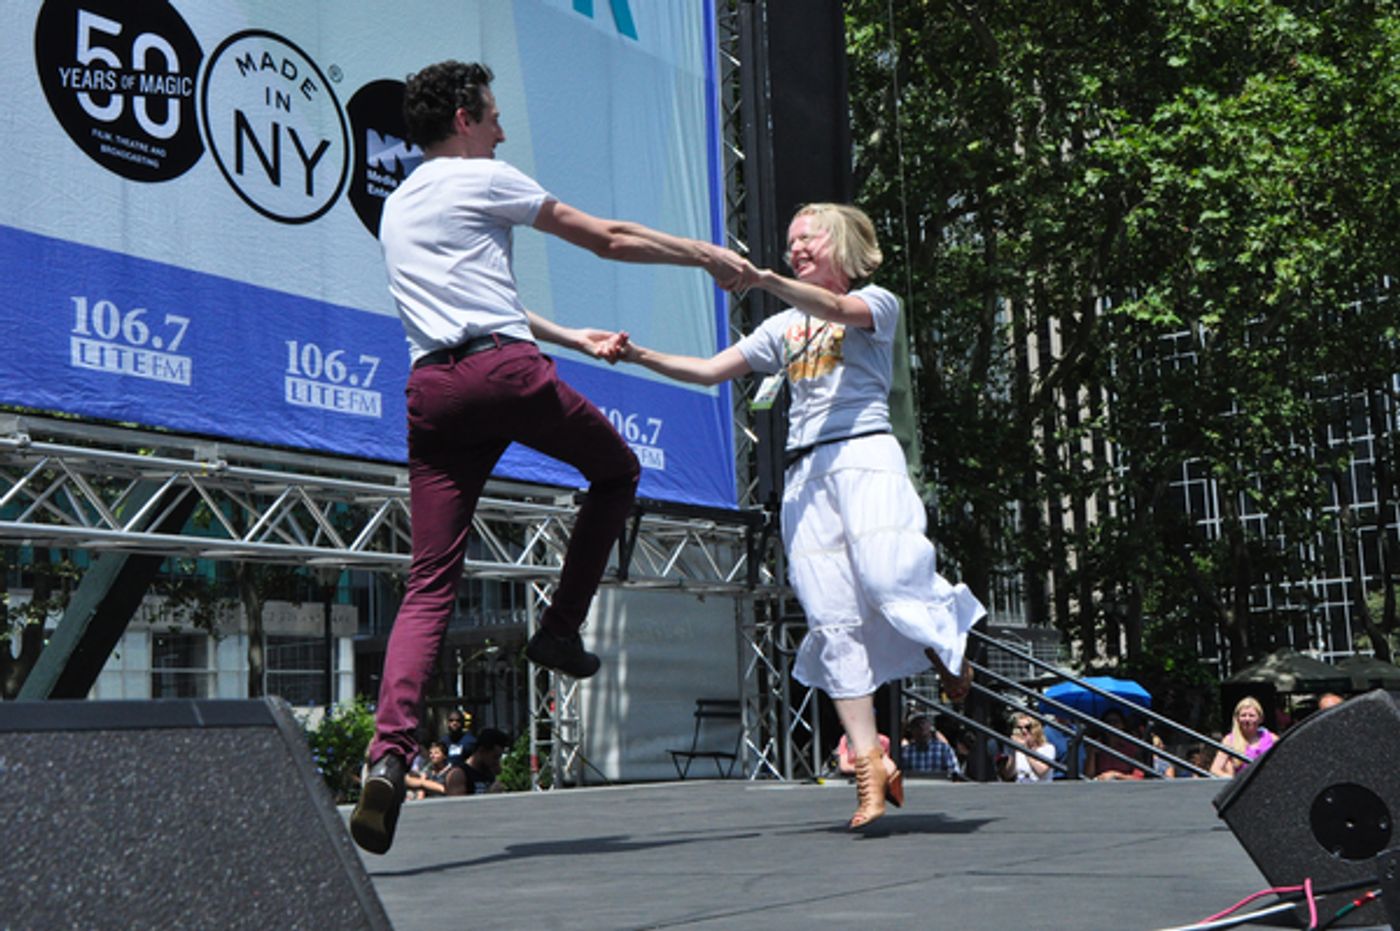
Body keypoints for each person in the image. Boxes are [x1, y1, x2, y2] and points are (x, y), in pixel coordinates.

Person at [350, 60, 748, 855]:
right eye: (493, 115)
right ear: (464, 119)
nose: (502, 129)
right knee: (618, 471)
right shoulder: (484, 176)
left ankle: (387, 755)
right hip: (504, 373)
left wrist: (572, 336)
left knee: (429, 584)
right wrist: (704, 254)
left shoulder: (399, 205)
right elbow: (606, 237)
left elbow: (486, 299)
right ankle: (559, 628)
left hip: (433, 390)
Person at [620, 203, 985, 828]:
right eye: (790, 243)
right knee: (831, 617)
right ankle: (869, 766)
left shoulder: (877, 302)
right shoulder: (784, 327)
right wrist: (636, 355)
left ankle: (945, 643)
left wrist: (762, 279)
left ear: (839, 243)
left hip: (864, 455)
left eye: (807, 238)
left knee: (888, 574)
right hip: (806, 476)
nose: (796, 249)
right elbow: (709, 370)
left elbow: (838, 309)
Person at [1209, 695, 1276, 778]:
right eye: (1243, 715)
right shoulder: (1229, 740)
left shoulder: (1272, 739)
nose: (1247, 719)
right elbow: (1215, 769)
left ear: (1260, 719)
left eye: (1251, 715)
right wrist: (1231, 779)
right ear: (1237, 719)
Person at [997, 713, 1057, 783]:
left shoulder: (1048, 748)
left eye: (1027, 727)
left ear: (1036, 729)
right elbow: (1008, 775)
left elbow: (1041, 772)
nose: (1023, 731)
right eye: (1019, 728)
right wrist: (1013, 751)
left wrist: (1025, 750)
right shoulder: (1017, 750)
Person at [1088, 709, 1145, 781]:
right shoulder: (1098, 745)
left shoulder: (1131, 747)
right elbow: (1088, 776)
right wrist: (1092, 753)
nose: (1112, 725)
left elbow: (1139, 777)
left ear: (1122, 725)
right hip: (1101, 785)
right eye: (1108, 722)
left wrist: (1116, 775)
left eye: (1116, 722)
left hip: (1124, 785)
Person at [460, 728, 512, 795]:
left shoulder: (489, 773)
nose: (496, 762)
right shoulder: (460, 774)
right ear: (482, 751)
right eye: (495, 757)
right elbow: (458, 801)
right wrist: (488, 794)